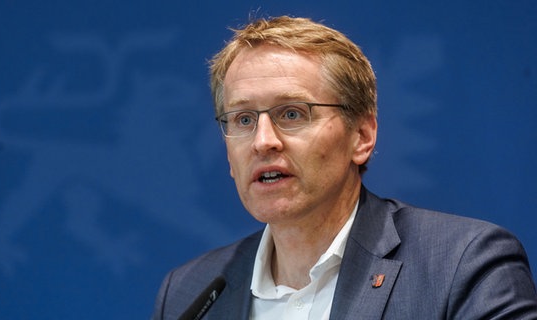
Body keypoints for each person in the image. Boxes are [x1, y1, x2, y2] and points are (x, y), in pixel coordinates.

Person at [152, 16, 537, 319]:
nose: (262, 141)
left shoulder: (462, 265)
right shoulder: (189, 291)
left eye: (292, 113)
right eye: (243, 119)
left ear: (362, 136)